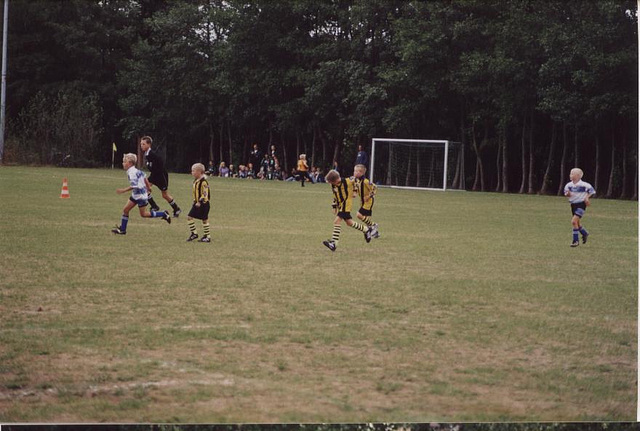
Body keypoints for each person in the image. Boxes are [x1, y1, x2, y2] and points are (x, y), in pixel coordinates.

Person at [111, 153, 171, 235]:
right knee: (126, 210)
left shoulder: (132, 173)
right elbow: (144, 176)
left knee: (144, 214)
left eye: (125, 162)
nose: (123, 163)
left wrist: (123, 190)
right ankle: (122, 229)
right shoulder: (135, 170)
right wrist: (148, 187)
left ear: (130, 163)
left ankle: (163, 213)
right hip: (136, 195)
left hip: (140, 196)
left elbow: (134, 185)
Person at [322, 169, 374, 252]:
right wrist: (334, 206)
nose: (330, 184)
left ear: (335, 181)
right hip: (341, 205)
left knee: (337, 221)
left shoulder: (348, 181)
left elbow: (356, 180)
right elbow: (335, 195)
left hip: (346, 205)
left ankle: (334, 244)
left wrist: (355, 191)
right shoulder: (333, 185)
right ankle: (366, 230)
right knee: (349, 222)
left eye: (331, 182)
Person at [140, 136, 182, 217]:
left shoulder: (153, 154)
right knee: (144, 189)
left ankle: (176, 209)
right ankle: (154, 206)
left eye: (143, 144)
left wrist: (153, 169)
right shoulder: (147, 153)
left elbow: (160, 164)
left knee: (165, 195)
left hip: (161, 176)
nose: (141, 145)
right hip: (154, 175)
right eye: (141, 144)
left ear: (149, 144)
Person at [563, 168, 596, 247]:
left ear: (578, 176)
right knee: (577, 223)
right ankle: (585, 233)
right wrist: (568, 194)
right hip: (573, 205)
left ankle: (575, 241)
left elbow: (592, 191)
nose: (570, 175)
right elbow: (566, 193)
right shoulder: (569, 185)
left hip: (581, 204)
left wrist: (587, 198)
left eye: (572, 174)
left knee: (574, 221)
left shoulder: (584, 185)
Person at [186, 163, 212, 243]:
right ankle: (194, 233)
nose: (192, 172)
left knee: (204, 219)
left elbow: (205, 193)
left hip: (203, 204)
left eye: (193, 171)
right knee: (190, 217)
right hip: (196, 203)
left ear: (199, 172)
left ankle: (207, 236)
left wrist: (200, 201)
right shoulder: (196, 181)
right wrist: (195, 200)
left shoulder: (203, 182)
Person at [353, 164, 379, 238]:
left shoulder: (365, 181)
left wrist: (369, 196)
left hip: (368, 201)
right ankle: (374, 233)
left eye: (355, 171)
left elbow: (374, 188)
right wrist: (354, 194)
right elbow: (356, 188)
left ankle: (374, 225)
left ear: (361, 173)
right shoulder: (357, 181)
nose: (354, 172)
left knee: (359, 215)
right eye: (354, 171)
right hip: (362, 202)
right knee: (366, 219)